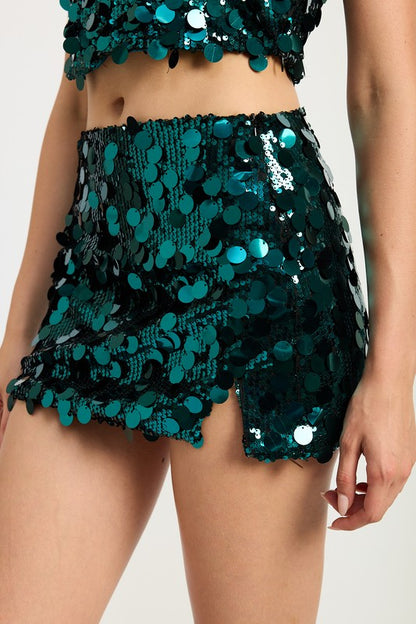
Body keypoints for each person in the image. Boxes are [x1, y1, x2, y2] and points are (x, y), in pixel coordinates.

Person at [0, 1, 415, 622]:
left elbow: (385, 90)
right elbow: (76, 91)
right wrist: (18, 334)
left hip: (249, 255)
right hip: (96, 270)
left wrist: (392, 378)